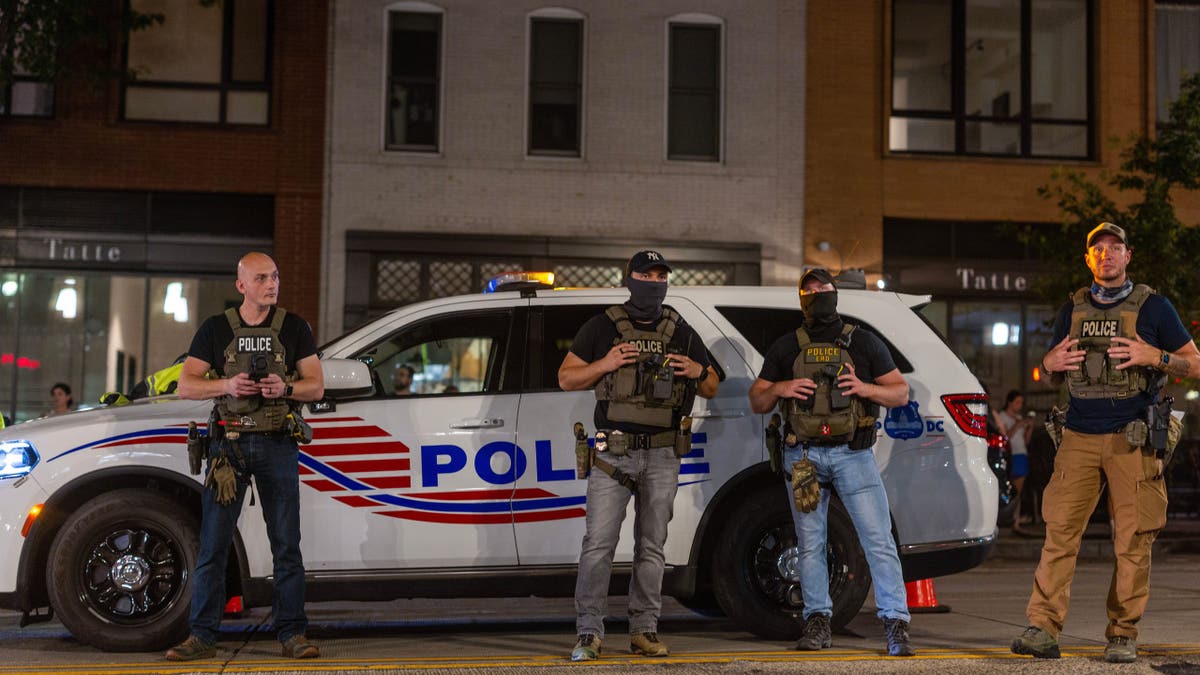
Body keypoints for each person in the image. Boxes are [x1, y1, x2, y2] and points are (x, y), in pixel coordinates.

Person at [1011, 223, 1200, 663]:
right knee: (1059, 535)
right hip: (1077, 435)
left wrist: (1156, 357)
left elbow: (1195, 363)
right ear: (1088, 260)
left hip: (1132, 438)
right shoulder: (1072, 309)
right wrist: (1048, 362)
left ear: (1128, 256)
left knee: (1133, 541)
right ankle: (1042, 628)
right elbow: (1053, 368)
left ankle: (1122, 633)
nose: (1107, 254)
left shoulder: (1154, 308)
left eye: (1116, 248)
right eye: (1098, 249)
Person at [558, 250, 718, 661]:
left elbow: (713, 385)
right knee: (598, 545)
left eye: (660, 276)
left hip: (663, 453)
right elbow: (566, 378)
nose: (654, 282)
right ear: (629, 279)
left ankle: (644, 630)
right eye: (646, 275)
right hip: (613, 454)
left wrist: (698, 371)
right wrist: (605, 362)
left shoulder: (680, 330)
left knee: (652, 546)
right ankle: (589, 633)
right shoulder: (602, 326)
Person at [748, 268, 915, 657]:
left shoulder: (864, 342)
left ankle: (896, 623)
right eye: (810, 289)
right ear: (801, 298)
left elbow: (901, 393)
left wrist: (863, 388)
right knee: (810, 544)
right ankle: (817, 621)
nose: (818, 292)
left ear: (835, 293)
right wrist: (781, 387)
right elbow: (757, 400)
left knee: (878, 541)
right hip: (803, 456)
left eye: (824, 287)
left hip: (853, 454)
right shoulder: (786, 346)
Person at [166, 252, 325, 662]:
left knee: (286, 546)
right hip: (228, 447)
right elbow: (186, 385)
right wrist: (227, 385)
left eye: (275, 277)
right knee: (213, 547)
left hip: (277, 444)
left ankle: (292, 634)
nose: (272, 284)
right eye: (261, 278)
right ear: (241, 286)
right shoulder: (215, 328)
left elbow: (316, 386)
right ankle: (202, 636)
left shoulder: (294, 327)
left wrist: (284, 388)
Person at [996, 390, 1034, 534]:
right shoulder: (1002, 416)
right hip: (1009, 455)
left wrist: (1029, 427)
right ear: (1010, 402)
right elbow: (1006, 436)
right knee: (1007, 489)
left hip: (1021, 454)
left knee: (1018, 491)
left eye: (1021, 403)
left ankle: (1015, 522)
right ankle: (1004, 520)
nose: (1020, 405)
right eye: (1017, 402)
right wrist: (1018, 424)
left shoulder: (1019, 417)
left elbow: (1026, 440)